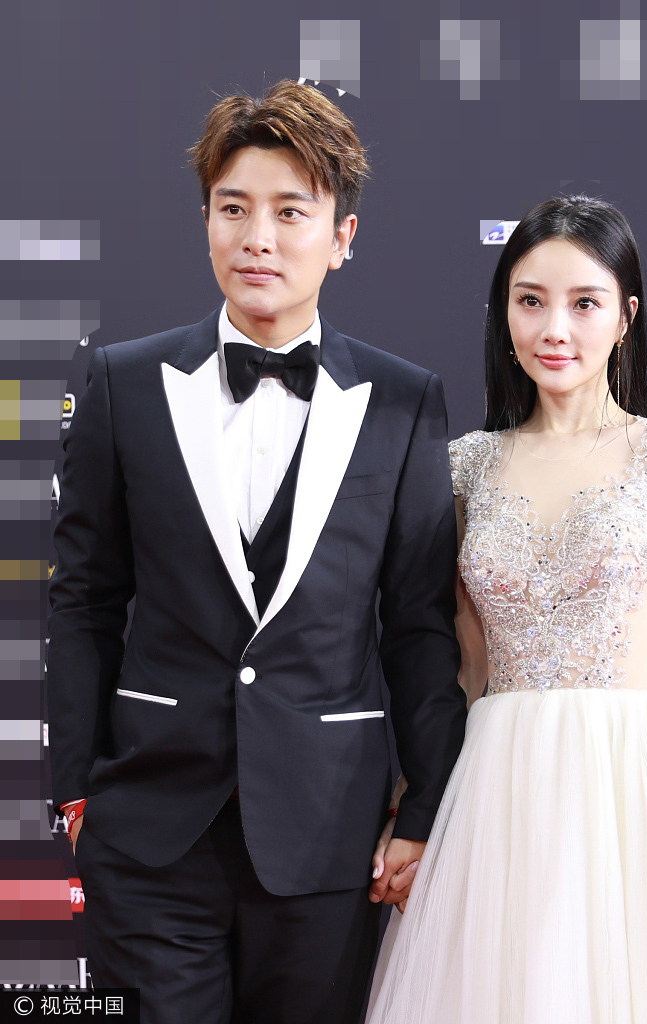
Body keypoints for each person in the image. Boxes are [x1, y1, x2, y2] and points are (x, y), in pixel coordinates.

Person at [47, 80, 467, 1024]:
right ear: (206, 221)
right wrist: (74, 792)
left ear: (342, 236)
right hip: (147, 828)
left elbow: (417, 625)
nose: (258, 239)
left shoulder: (403, 403)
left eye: (290, 212)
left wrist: (425, 807)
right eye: (233, 209)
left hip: (330, 834)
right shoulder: (124, 383)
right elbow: (84, 599)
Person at [366, 196, 647, 1023]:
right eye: (531, 300)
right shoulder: (464, 468)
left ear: (625, 318)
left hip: (639, 780)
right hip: (498, 789)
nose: (555, 329)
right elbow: (462, 665)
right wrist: (417, 801)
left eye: (584, 303)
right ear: (504, 312)